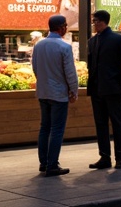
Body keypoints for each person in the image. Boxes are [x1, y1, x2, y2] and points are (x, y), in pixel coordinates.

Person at [31, 13, 78, 177]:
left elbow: (35, 68)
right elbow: (70, 73)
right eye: (65, 26)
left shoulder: (39, 45)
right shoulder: (64, 47)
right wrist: (74, 91)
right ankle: (52, 165)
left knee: (44, 128)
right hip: (58, 94)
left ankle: (43, 163)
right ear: (62, 27)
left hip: (43, 92)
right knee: (57, 130)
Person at [87, 10, 121, 170]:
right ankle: (104, 157)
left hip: (113, 88)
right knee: (100, 123)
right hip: (97, 88)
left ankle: (120, 158)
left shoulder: (117, 39)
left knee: (117, 122)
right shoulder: (92, 41)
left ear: (102, 22)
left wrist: (120, 75)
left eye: (95, 21)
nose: (93, 24)